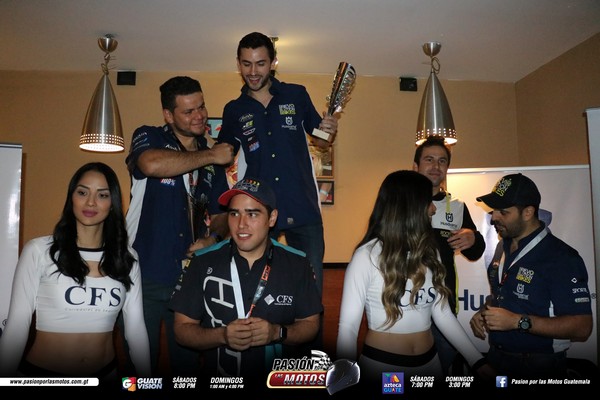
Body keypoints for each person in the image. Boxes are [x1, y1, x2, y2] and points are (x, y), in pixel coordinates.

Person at [336, 170, 493, 390]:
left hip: (430, 365)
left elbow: (442, 312)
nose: (434, 208)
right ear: (410, 205)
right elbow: (348, 328)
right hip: (383, 368)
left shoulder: (430, 252)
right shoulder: (367, 255)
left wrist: (477, 361)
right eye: (428, 201)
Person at [0, 162, 150, 385]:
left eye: (102, 195)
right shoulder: (39, 251)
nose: (91, 202)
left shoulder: (126, 257)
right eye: (82, 192)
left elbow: (136, 328)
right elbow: (17, 325)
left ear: (113, 203)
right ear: (71, 197)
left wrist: (146, 380)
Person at [169, 177, 323, 392]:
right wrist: (222, 335)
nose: (241, 224)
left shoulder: (298, 263)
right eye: (234, 214)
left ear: (272, 218)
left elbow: (310, 324)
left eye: (252, 214)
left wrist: (276, 333)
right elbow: (181, 330)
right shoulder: (202, 262)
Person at [125, 76, 234, 376]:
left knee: (186, 369)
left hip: (189, 279)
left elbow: (222, 212)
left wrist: (214, 238)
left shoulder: (211, 159)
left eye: (201, 107)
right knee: (140, 367)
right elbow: (150, 165)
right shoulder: (149, 136)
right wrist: (211, 154)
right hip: (143, 274)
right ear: (168, 115)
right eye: (188, 111)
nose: (199, 116)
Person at [217, 31, 339, 296]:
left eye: (260, 63)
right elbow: (222, 155)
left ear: (273, 62)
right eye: (246, 63)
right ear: (238, 64)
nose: (253, 71)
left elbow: (321, 140)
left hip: (302, 209)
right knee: (254, 286)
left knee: (310, 288)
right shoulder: (234, 109)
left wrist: (329, 131)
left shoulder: (296, 94)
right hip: (258, 212)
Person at [469, 173, 593, 379]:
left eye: (503, 212)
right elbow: (503, 296)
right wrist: (484, 312)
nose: (494, 218)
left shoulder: (562, 257)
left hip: (539, 365)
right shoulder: (501, 247)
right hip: (496, 357)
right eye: (494, 210)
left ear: (528, 212)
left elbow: (582, 327)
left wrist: (518, 322)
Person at [413, 136, 486, 375]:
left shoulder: (457, 206)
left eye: (442, 161)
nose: (436, 166)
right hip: (405, 308)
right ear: (416, 166)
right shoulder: (400, 203)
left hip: (444, 307)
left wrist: (473, 238)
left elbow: (475, 252)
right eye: (429, 159)